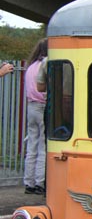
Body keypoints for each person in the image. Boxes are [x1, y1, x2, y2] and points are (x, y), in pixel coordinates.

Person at [23, 39, 47, 194]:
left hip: (31, 107)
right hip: (43, 106)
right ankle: (40, 182)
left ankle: (28, 182)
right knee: (43, 147)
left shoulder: (30, 67)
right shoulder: (45, 65)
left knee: (31, 145)